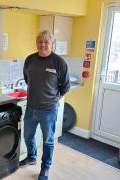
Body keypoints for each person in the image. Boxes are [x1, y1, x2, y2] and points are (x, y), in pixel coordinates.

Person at [19, 30, 70, 180]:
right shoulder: (30, 59)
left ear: (52, 43)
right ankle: (31, 156)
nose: (42, 45)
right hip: (31, 108)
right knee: (28, 136)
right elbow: (27, 79)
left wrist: (53, 99)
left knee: (48, 141)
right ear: (36, 43)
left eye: (46, 42)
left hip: (49, 110)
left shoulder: (59, 62)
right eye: (40, 42)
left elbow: (65, 87)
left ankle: (45, 168)